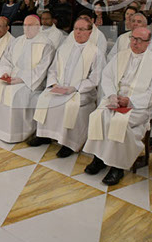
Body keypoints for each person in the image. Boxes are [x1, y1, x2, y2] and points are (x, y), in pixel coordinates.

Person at [83, 27, 152, 186]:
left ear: (148, 43)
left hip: (138, 106)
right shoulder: (120, 56)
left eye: (140, 40)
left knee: (118, 122)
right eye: (133, 38)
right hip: (116, 100)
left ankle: (117, 166)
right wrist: (112, 95)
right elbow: (107, 77)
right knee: (99, 116)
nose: (135, 42)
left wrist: (130, 101)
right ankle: (99, 158)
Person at [30, 16, 104, 157]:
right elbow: (53, 69)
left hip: (81, 92)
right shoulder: (64, 48)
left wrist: (74, 88)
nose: (78, 32)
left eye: (82, 29)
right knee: (44, 99)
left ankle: (68, 143)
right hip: (60, 87)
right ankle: (44, 135)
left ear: (90, 32)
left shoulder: (96, 53)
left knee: (69, 105)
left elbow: (95, 78)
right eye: (76, 29)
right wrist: (54, 84)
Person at [0, 15, 55, 143]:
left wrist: (21, 79)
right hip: (12, 77)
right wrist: (5, 73)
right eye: (25, 25)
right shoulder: (17, 41)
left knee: (13, 94)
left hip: (32, 82)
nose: (27, 28)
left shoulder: (46, 44)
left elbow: (41, 69)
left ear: (38, 27)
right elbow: (6, 60)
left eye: (30, 25)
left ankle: (14, 133)